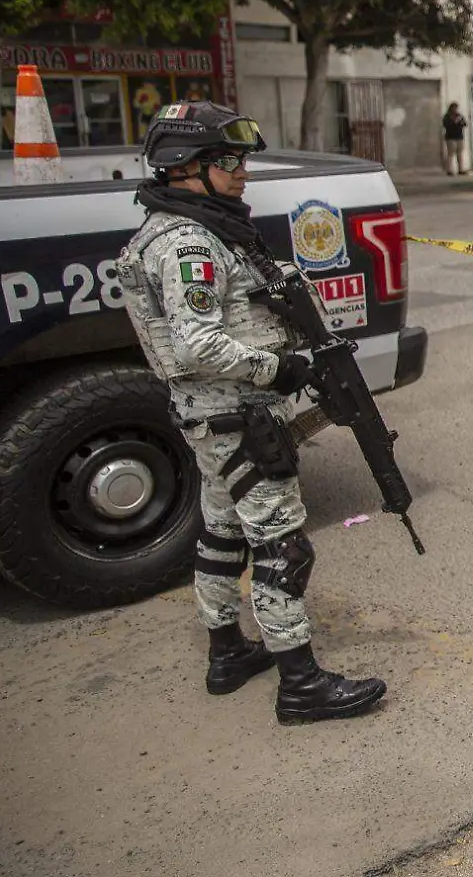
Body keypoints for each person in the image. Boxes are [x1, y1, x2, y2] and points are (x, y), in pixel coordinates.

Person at [117, 101, 388, 725]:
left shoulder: (196, 228)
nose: (243, 173)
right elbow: (197, 343)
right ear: (186, 167)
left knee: (222, 534)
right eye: (229, 162)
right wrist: (281, 371)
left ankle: (227, 652)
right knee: (283, 547)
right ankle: (300, 683)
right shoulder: (187, 243)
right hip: (235, 413)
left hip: (212, 417)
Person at [442, 102, 469, 176]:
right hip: (451, 138)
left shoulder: (459, 115)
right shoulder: (447, 116)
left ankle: (461, 169)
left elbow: (465, 124)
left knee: (460, 154)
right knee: (450, 154)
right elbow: (446, 125)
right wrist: (454, 122)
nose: (455, 109)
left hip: (459, 137)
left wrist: (460, 122)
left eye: (456, 108)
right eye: (454, 108)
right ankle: (449, 170)